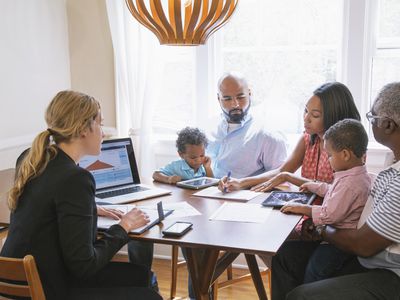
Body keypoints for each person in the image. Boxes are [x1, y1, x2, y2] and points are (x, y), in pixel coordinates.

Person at [0, 90, 162, 300]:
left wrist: (89, 207)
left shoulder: (31, 158)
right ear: (84, 128)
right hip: (47, 288)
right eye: (100, 124)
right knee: (149, 295)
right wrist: (124, 227)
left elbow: (44, 203)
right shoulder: (76, 178)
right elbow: (85, 266)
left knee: (141, 276)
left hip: (13, 281)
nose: (103, 133)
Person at [272, 82, 400, 300]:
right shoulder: (390, 165)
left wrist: (321, 230)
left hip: (388, 271)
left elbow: (363, 244)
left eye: (373, 118)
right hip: (368, 253)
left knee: (302, 295)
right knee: (284, 258)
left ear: (387, 125)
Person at [219, 81, 361, 193]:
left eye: (315, 115)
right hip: (306, 207)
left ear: (333, 116)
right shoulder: (307, 138)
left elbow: (337, 191)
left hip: (329, 212)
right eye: (306, 110)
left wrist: (288, 178)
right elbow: (283, 171)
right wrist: (240, 182)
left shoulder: (348, 148)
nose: (306, 119)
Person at [280, 118, 371, 283]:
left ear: (345, 154)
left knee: (315, 270)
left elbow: (330, 215)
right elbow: (332, 190)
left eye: (329, 155)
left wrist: (302, 208)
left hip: (339, 245)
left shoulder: (350, 184)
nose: (328, 160)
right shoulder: (354, 175)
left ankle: (309, 293)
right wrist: (314, 186)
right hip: (334, 237)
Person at [207, 72, 287, 179]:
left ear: (249, 94)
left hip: (245, 194)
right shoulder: (209, 129)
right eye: (227, 99)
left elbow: (280, 179)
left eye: (240, 97)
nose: (235, 104)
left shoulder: (267, 134)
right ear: (218, 99)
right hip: (205, 192)